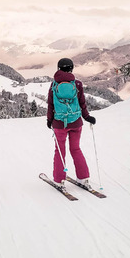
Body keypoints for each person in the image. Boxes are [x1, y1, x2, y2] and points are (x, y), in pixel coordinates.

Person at [47, 58, 96, 188]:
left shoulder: (53, 85)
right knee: (75, 149)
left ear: (59, 68)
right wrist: (87, 117)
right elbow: (82, 104)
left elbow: (50, 105)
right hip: (76, 123)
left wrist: (49, 120)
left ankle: (59, 180)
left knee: (60, 151)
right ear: (71, 68)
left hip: (59, 124)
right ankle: (83, 178)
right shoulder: (77, 84)